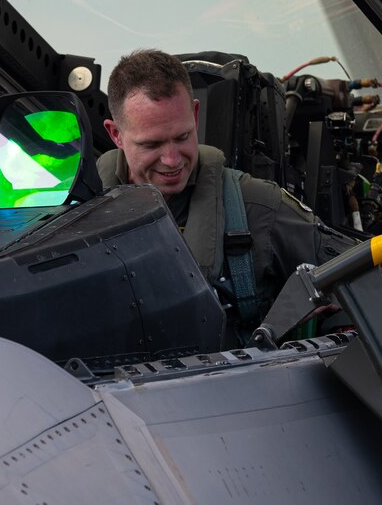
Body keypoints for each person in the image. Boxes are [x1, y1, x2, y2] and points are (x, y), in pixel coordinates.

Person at [99, 48, 354, 345]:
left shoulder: (256, 208)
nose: (171, 160)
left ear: (195, 115)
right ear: (116, 134)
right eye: (152, 144)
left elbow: (361, 276)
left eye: (182, 137)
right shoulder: (77, 213)